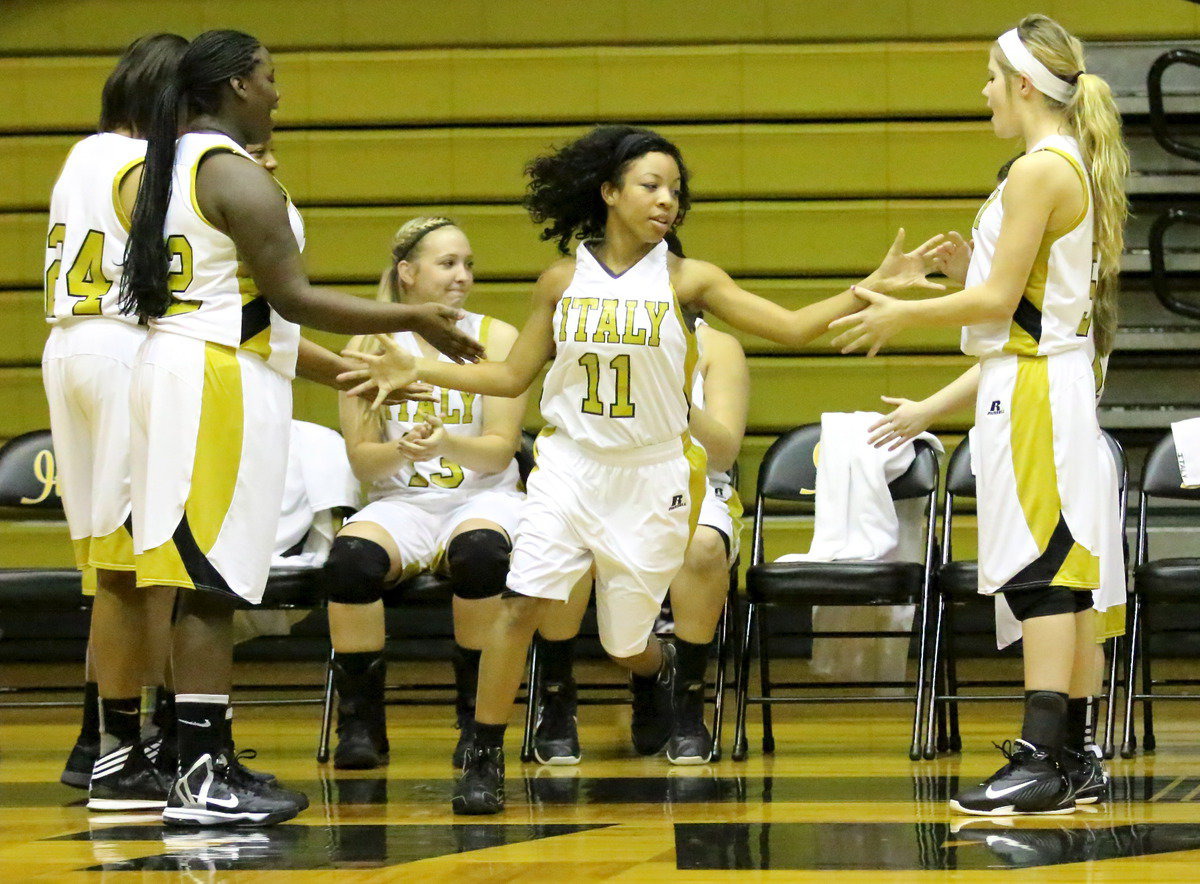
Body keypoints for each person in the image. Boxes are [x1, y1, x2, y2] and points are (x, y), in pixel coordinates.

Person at [342, 123, 946, 814]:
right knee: (521, 604)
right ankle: (482, 756)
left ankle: (660, 676)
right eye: (651, 186)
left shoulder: (691, 279)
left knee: (625, 639)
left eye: (675, 191)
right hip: (571, 469)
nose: (667, 201)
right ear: (608, 192)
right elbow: (511, 377)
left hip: (655, 475)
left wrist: (870, 287)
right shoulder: (562, 280)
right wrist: (415, 364)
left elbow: (793, 327)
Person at [119, 29, 482, 828]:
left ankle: (196, 759)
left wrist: (353, 370)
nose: (279, 94)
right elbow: (295, 299)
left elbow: (252, 316)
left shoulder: (154, 167)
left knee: (198, 576)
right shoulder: (235, 177)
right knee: (209, 580)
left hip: (182, 370)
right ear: (239, 85)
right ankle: (200, 772)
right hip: (213, 384)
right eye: (270, 79)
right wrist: (415, 314)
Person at [829, 15, 1128, 815]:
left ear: (1025, 84)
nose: (985, 91)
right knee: (1053, 573)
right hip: (1029, 385)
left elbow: (999, 304)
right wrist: (962, 284)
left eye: (992, 78)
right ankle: (1068, 759)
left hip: (1037, 394)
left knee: (1045, 576)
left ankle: (1041, 759)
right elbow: (1016, 308)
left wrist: (900, 312)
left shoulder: (1040, 169)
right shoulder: (1057, 165)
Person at [43, 34, 189, 808]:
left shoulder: (83, 154)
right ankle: (124, 747)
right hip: (122, 348)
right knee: (142, 564)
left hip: (68, 346)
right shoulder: (148, 169)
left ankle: (102, 738)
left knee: (113, 564)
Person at [323, 217, 526, 771]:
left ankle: (475, 723)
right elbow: (364, 461)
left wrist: (448, 443)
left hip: (483, 497)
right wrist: (405, 453)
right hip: (402, 503)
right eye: (448, 264)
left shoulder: (499, 337)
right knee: (350, 561)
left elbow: (501, 451)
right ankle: (361, 725)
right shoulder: (368, 345)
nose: (462, 276)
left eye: (468, 264)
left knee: (480, 553)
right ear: (407, 273)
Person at [530, 316, 747, 765]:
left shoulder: (717, 345)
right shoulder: (583, 324)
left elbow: (724, 452)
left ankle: (688, 705)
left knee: (704, 545)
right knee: (562, 545)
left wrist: (673, 400)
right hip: (598, 481)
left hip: (689, 482)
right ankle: (557, 699)